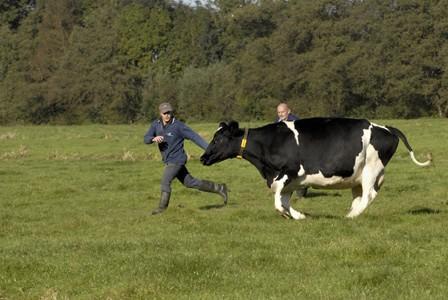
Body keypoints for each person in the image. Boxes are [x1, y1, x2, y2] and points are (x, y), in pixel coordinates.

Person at [144, 102, 228, 215]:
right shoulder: (156, 124)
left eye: (169, 112)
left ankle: (161, 209)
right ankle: (220, 188)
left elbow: (195, 137)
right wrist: (153, 138)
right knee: (190, 182)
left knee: (165, 181)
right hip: (168, 160)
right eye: (165, 113)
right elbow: (146, 138)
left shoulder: (179, 126)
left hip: (177, 161)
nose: (167, 115)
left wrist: (210, 150)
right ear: (160, 114)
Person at [275, 102, 308, 198]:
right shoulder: (277, 122)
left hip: (296, 150)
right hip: (283, 151)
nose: (281, 114)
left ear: (288, 111)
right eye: (279, 112)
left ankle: (303, 188)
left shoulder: (296, 121)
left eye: (283, 112)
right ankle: (286, 189)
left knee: (297, 171)